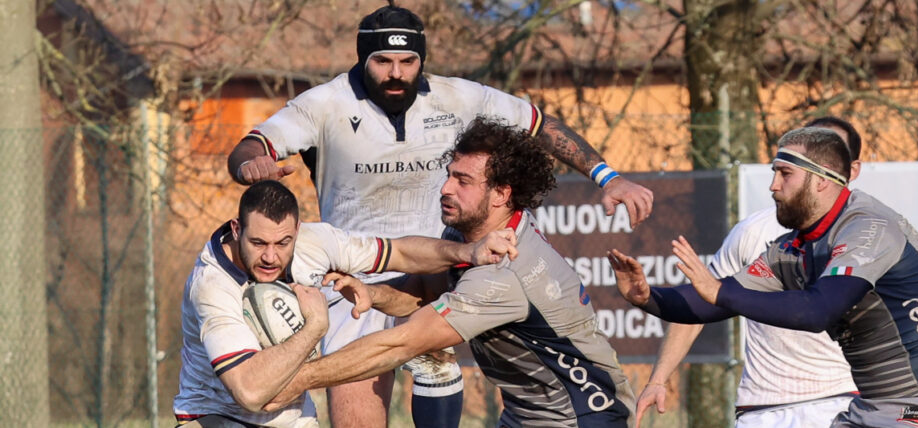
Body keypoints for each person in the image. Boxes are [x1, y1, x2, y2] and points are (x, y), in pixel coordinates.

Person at [224, 4, 654, 427]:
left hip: (446, 259)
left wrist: (608, 177)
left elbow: (538, 124)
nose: (396, 72)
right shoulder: (323, 104)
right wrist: (251, 164)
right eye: (383, 61)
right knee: (358, 392)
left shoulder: (461, 103)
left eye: (408, 61)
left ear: (421, 61)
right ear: (363, 59)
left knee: (430, 356)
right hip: (361, 269)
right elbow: (252, 145)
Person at [263, 117, 637, 427]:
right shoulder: (474, 234)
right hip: (528, 417)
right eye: (449, 174)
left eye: (463, 181)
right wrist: (371, 293)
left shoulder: (502, 275)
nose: (445, 188)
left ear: (501, 194)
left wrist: (294, 379)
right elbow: (424, 291)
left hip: (586, 419)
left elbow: (399, 345)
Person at [610, 127, 918, 427]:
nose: (773, 186)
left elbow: (818, 310)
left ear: (823, 179)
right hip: (875, 406)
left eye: (785, 174)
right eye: (773, 173)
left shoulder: (868, 227)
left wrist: (719, 293)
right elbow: (707, 304)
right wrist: (646, 297)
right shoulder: (792, 249)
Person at [173, 180, 517, 427]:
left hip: (292, 419)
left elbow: (400, 252)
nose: (269, 256)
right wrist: (315, 328)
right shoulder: (212, 286)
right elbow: (249, 391)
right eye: (258, 242)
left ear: (297, 230)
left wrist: (467, 252)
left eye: (283, 243)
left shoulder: (316, 241)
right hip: (214, 417)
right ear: (236, 229)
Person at [638, 117, 862, 428]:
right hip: (762, 408)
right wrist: (658, 378)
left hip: (840, 402)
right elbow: (705, 300)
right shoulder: (754, 231)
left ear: (850, 171)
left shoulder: (867, 234)